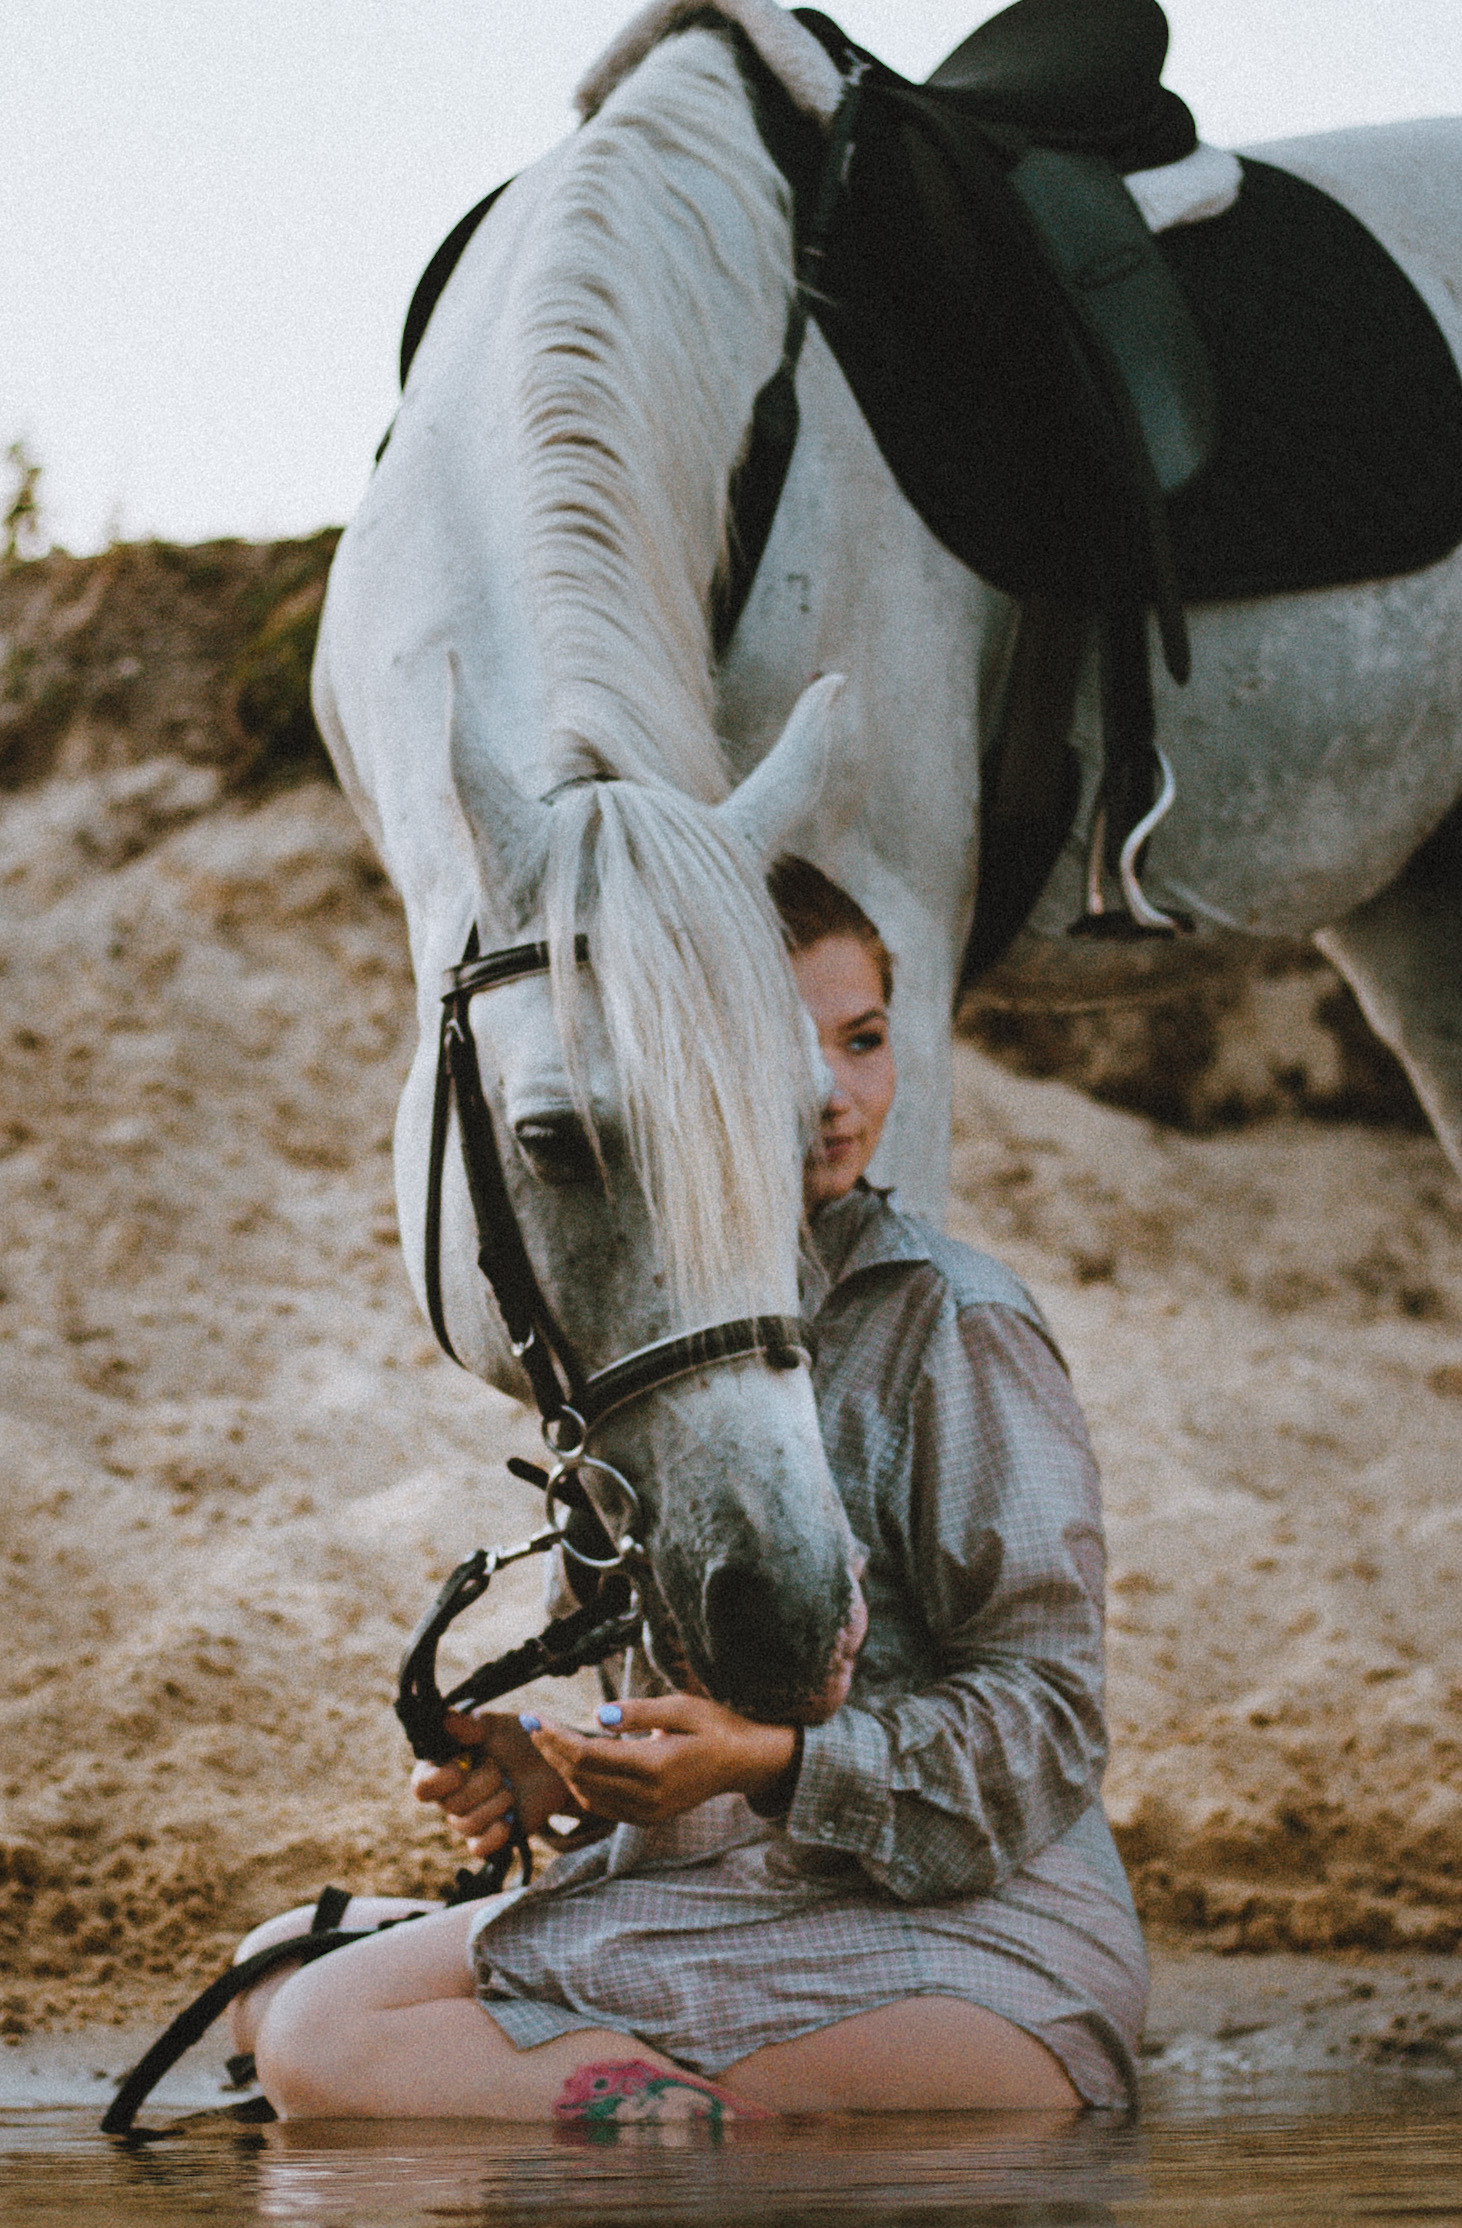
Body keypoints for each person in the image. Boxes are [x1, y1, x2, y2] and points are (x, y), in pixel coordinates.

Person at [228, 858, 1147, 2122]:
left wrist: (772, 1766)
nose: (831, 1091)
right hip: (724, 1902)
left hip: (959, 1935)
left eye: (866, 1038)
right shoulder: (665, 1329)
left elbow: (1047, 1718)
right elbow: (691, 1712)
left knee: (326, 2036)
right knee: (270, 1971)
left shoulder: (954, 1321)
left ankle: (714, 2196)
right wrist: (565, 1768)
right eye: (778, 1044)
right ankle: (686, 2181)